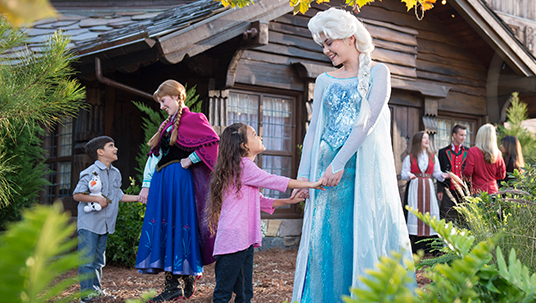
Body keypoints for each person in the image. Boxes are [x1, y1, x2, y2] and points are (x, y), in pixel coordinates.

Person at [290, 8, 414, 302]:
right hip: (325, 177)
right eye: (322, 44)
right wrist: (303, 177)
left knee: (358, 237)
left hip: (359, 172)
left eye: (329, 42)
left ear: (348, 37)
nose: (325, 50)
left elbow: (367, 122)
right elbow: (313, 132)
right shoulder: (324, 80)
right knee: (325, 243)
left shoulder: (379, 72)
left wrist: (340, 162)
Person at [206, 123, 324, 303]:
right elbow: (272, 180)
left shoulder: (240, 169)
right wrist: (311, 184)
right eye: (254, 134)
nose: (259, 137)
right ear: (244, 145)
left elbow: (259, 201)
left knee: (244, 294)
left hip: (242, 240)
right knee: (224, 294)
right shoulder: (243, 166)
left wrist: (289, 201)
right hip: (233, 241)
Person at [135, 80, 219, 302]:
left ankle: (186, 275)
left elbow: (212, 144)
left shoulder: (195, 119)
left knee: (179, 224)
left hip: (180, 183)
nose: (162, 106)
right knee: (164, 227)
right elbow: (155, 156)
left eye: (163, 101)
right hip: (162, 183)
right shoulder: (165, 126)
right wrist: (146, 185)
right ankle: (173, 284)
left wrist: (190, 160)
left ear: (176, 97)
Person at [73, 136, 139, 302]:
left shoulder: (116, 173)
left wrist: (139, 197)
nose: (115, 149)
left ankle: (95, 293)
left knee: (98, 261)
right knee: (87, 261)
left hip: (105, 224)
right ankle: (86, 297)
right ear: (100, 152)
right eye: (111, 146)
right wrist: (96, 199)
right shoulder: (90, 173)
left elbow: (118, 195)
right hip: (89, 224)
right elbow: (77, 195)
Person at [401, 131, 449, 254]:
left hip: (428, 186)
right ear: (418, 141)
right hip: (415, 187)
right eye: (424, 139)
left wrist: (442, 175)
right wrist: (409, 175)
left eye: (428, 138)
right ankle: (415, 246)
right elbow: (403, 173)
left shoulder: (433, 157)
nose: (427, 141)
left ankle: (430, 247)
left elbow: (436, 173)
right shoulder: (410, 157)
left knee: (431, 212)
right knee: (415, 212)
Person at [437, 124, 468, 222]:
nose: (464, 138)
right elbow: (439, 172)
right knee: (446, 220)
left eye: (465, 135)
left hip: (463, 192)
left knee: (463, 221)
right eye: (461, 135)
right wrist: (440, 190)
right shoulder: (443, 152)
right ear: (454, 135)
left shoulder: (469, 152)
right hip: (448, 191)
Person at [463, 124, 506, 194]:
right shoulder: (498, 153)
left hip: (478, 191)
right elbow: (502, 175)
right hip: (494, 191)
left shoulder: (473, 151)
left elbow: (468, 172)